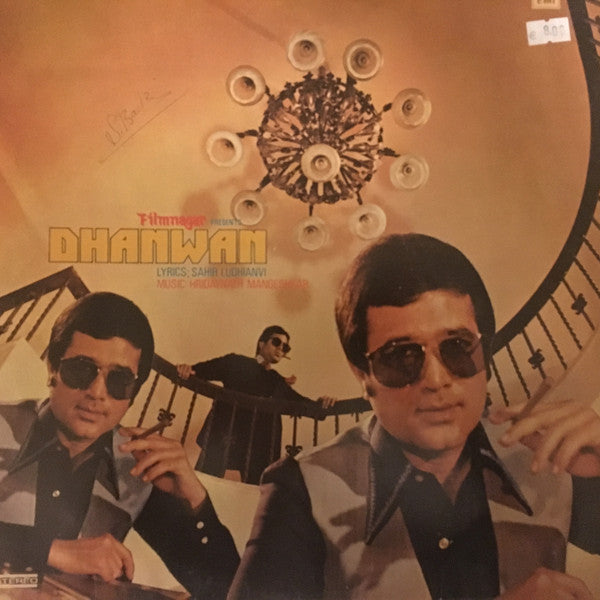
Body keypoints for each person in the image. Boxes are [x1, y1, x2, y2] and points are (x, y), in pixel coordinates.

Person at [228, 233, 600, 600]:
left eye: (458, 347)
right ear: (362, 375)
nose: (436, 380)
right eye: (402, 356)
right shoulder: (302, 488)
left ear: (485, 355)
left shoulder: (555, 460)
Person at [0, 292, 239, 599]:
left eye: (119, 380)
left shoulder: (136, 468)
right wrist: (49, 550)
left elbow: (227, 590)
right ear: (53, 369)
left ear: (133, 394)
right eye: (81, 369)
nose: (97, 392)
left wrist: (195, 499)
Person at [177, 326, 336, 485]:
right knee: (202, 483)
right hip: (224, 436)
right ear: (261, 344)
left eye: (285, 347)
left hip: (258, 448)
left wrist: (323, 403)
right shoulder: (236, 363)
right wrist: (187, 369)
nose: (281, 348)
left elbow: (301, 402)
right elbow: (198, 371)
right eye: (276, 342)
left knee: (256, 492)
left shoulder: (276, 381)